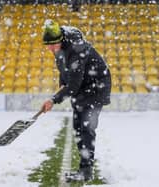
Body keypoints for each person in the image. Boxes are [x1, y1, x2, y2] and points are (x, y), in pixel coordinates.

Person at [40, 19, 112, 182]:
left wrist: (54, 100)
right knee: (78, 127)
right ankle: (84, 168)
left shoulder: (76, 49)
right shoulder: (60, 49)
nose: (50, 48)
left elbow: (73, 85)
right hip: (83, 87)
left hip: (96, 86)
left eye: (53, 45)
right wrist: (60, 87)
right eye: (48, 45)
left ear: (61, 40)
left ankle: (86, 171)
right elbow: (64, 73)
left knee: (86, 128)